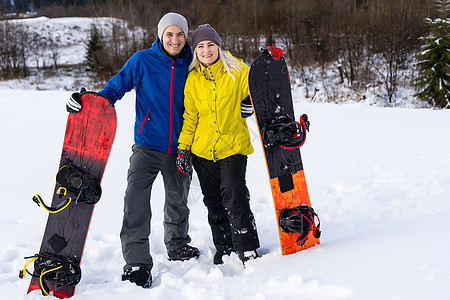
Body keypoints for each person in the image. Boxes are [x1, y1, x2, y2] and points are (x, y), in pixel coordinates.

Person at [66, 12, 199, 289]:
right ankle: (136, 262)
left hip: (182, 148)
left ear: (186, 36)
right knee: (135, 202)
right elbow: (114, 89)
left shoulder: (193, 62)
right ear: (160, 35)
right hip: (146, 146)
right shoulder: (142, 60)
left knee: (178, 201)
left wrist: (244, 103)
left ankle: (177, 245)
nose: (174, 40)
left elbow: (218, 89)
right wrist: (87, 103)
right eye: (169, 34)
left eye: (180, 34)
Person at [176, 24, 260, 265]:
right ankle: (224, 246)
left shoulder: (238, 71)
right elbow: (190, 118)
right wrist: (183, 148)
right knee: (213, 201)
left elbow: (254, 93)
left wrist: (249, 103)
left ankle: (247, 247)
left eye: (211, 44)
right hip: (202, 152)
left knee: (235, 196)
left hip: (232, 147)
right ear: (195, 51)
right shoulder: (192, 79)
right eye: (200, 46)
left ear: (219, 47)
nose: (206, 50)